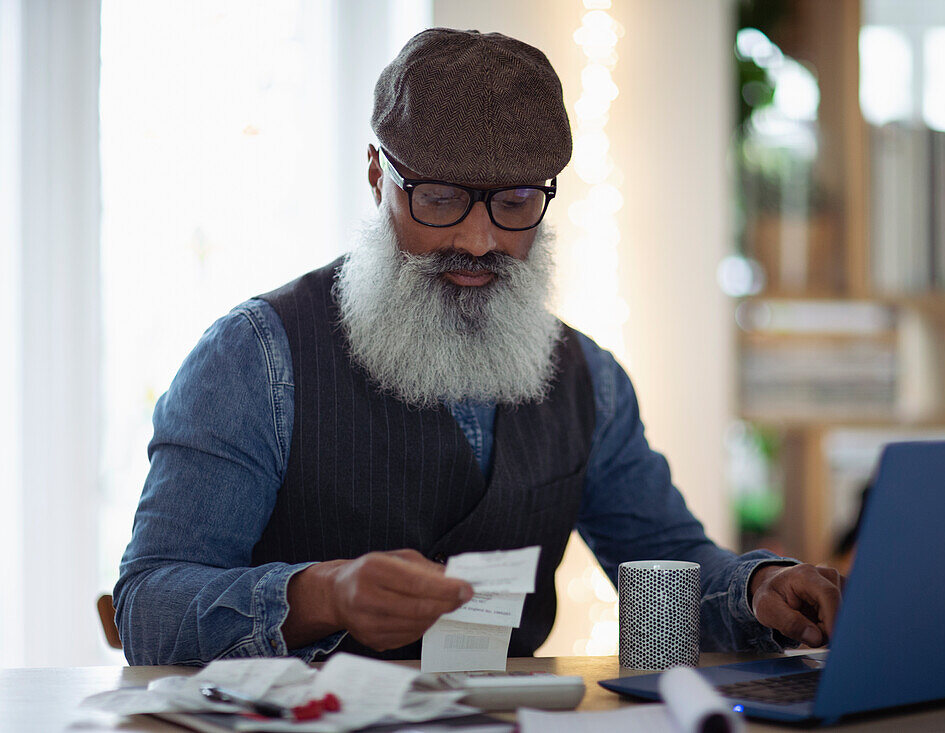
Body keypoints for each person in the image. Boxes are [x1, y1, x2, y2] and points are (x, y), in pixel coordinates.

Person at [114, 28, 842, 666]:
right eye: (438, 198)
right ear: (378, 177)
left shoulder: (591, 379)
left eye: (516, 202)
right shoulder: (256, 358)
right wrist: (322, 594)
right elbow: (149, 607)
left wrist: (757, 590)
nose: (478, 237)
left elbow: (669, 577)